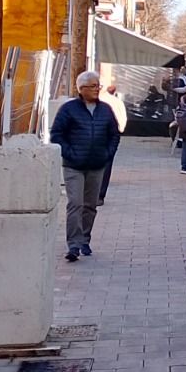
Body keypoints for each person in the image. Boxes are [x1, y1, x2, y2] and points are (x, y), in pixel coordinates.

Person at [50, 71, 122, 262]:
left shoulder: (105, 110)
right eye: (93, 86)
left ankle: (84, 239)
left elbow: (114, 134)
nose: (97, 89)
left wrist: (107, 154)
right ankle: (73, 244)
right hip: (74, 166)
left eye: (98, 85)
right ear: (81, 89)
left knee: (90, 205)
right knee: (75, 203)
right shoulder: (69, 109)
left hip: (97, 165)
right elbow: (57, 134)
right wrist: (70, 153)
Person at [97, 81, 128, 202]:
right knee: (107, 163)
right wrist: (120, 129)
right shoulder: (116, 101)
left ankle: (93, 192)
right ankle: (100, 194)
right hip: (111, 134)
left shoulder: (97, 100)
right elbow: (123, 117)